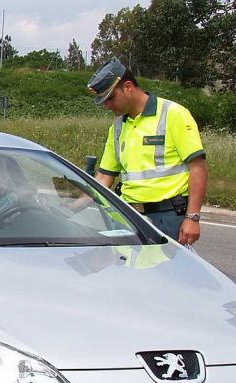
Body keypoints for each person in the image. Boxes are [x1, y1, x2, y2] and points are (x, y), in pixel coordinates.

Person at [87, 58, 208, 245]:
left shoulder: (173, 114)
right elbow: (104, 177)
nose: (107, 106)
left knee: (168, 265)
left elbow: (198, 167)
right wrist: (71, 207)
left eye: (110, 98)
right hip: (129, 217)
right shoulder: (117, 128)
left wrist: (192, 217)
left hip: (168, 217)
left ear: (128, 87)